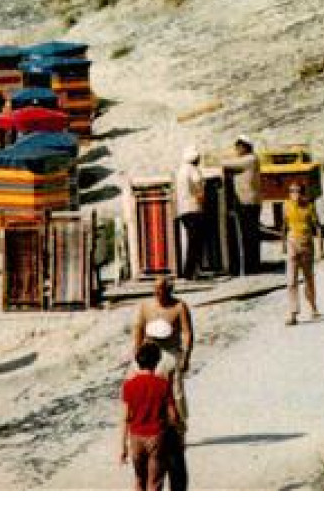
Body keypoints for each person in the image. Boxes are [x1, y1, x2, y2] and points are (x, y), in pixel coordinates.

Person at [131, 275, 193, 488]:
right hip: (150, 351)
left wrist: (186, 356)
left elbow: (187, 332)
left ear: (169, 290)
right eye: (156, 290)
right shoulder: (146, 307)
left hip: (171, 351)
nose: (159, 294)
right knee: (144, 389)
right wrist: (136, 353)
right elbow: (138, 329)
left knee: (175, 393)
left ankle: (179, 429)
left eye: (162, 290)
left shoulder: (179, 307)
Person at [119, 342, 182, 491]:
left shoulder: (128, 385)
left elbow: (126, 417)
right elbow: (173, 415)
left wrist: (123, 447)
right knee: (154, 482)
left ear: (138, 361)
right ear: (157, 361)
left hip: (135, 438)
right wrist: (177, 431)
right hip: (156, 437)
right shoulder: (163, 384)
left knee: (139, 480)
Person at [283, 182, 324, 324]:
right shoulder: (287, 206)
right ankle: (293, 313)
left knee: (308, 279)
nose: (295, 194)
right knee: (291, 280)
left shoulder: (309, 207)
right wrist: (283, 246)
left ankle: (313, 307)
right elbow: (284, 226)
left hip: (306, 244)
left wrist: (321, 249)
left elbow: (318, 227)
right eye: (292, 191)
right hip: (292, 244)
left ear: (303, 193)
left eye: (298, 191)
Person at [220, 137, 262, 275]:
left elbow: (226, 164)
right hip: (247, 202)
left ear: (246, 147)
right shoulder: (248, 160)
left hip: (248, 202)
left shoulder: (250, 160)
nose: (237, 150)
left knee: (250, 236)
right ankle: (250, 265)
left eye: (239, 147)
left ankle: (251, 267)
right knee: (248, 235)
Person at [175, 146, 208, 279]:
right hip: (194, 209)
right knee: (195, 242)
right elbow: (199, 187)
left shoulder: (181, 170)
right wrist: (203, 201)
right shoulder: (194, 170)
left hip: (183, 210)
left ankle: (189, 271)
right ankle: (191, 271)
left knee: (191, 241)